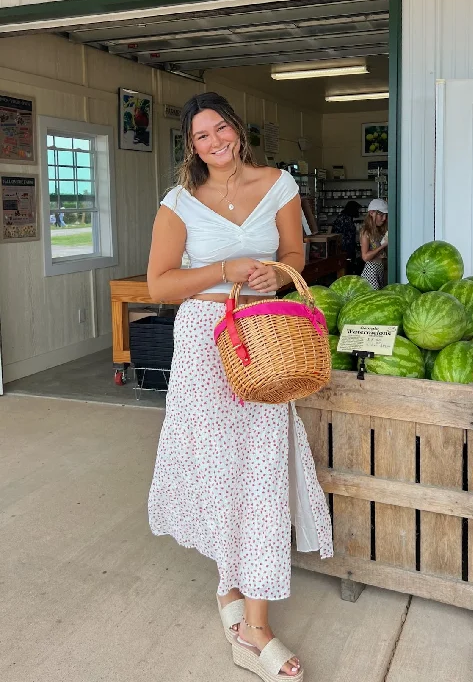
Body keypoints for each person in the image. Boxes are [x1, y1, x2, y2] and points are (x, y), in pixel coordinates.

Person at [147, 92, 333, 681]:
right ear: (191, 147)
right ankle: (231, 586)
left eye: (220, 128)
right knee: (217, 467)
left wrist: (270, 272)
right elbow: (159, 286)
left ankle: (254, 628)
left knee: (259, 473)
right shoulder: (179, 203)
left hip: (260, 340)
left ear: (236, 129)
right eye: (202, 136)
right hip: (205, 341)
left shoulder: (278, 184)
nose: (215, 141)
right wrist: (224, 270)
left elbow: (296, 255)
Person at [360, 198, 388, 289]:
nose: (384, 219)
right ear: (372, 213)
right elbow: (365, 257)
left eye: (386, 215)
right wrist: (383, 245)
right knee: (374, 298)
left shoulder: (380, 230)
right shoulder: (366, 232)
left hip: (380, 269)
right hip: (371, 271)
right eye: (381, 215)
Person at [332, 200, 362, 273]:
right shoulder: (345, 219)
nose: (358, 212)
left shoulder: (346, 217)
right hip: (344, 250)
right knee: (346, 269)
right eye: (357, 210)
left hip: (346, 250)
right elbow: (345, 237)